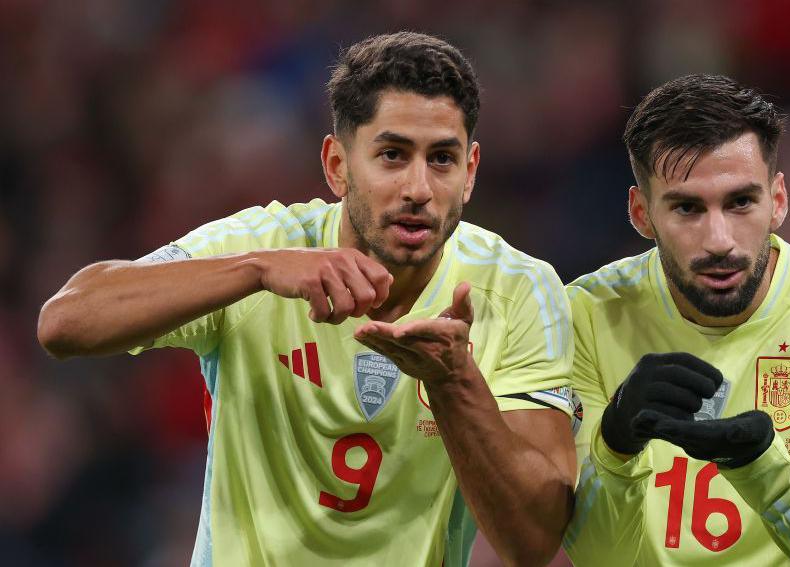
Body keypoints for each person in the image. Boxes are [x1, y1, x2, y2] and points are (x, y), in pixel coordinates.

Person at [37, 32, 576, 567]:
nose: (418, 187)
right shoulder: (259, 247)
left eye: (441, 159)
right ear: (337, 165)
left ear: (470, 172)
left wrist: (455, 384)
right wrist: (257, 270)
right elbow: (65, 322)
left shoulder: (519, 290)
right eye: (392, 155)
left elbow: (531, 543)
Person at [562, 74, 790, 566]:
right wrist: (614, 447)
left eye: (740, 202)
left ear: (779, 201)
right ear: (641, 214)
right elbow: (602, 558)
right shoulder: (584, 315)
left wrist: (758, 465)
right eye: (687, 208)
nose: (719, 240)